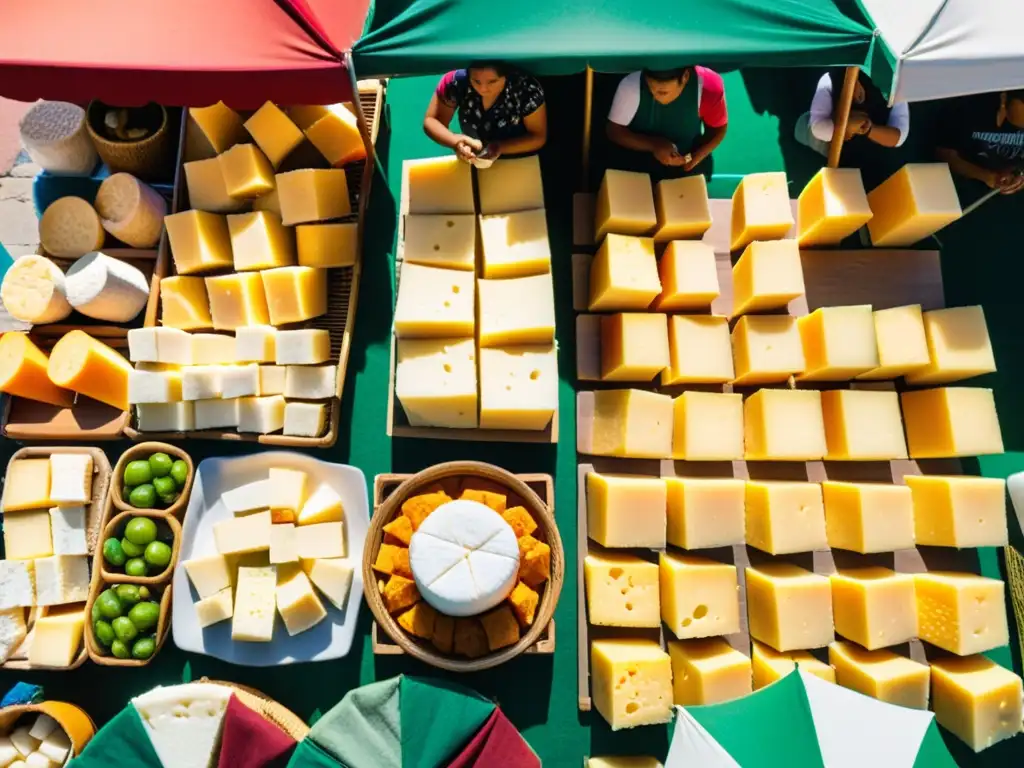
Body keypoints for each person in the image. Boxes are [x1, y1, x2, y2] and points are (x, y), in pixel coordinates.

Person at [605, 67, 728, 178]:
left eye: (663, 92)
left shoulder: (709, 88)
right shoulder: (631, 85)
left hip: (686, 158)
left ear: (685, 77)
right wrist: (654, 145)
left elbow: (717, 129)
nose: (654, 96)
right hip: (636, 161)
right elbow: (614, 130)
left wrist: (697, 156)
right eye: (650, 88)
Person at [423, 63, 547, 162]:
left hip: (518, 162)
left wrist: (498, 147)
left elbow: (538, 136)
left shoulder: (526, 89)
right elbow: (432, 121)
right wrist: (456, 141)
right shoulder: (455, 81)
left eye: (492, 81)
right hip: (471, 159)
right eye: (476, 81)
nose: (483, 89)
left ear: (506, 76)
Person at [796, 69, 910, 157]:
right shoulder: (830, 79)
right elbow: (818, 129)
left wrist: (868, 128)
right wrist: (845, 125)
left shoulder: (895, 84)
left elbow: (899, 137)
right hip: (842, 164)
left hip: (876, 164)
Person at [936, 89, 1024, 194]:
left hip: (1007, 194)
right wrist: (986, 176)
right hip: (960, 186)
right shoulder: (969, 108)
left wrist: (1019, 174)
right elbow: (945, 153)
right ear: (1004, 97)